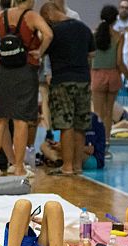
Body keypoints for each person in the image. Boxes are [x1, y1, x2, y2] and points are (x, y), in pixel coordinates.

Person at [0, 0, 54, 176]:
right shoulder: (31, 16)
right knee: (21, 120)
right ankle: (18, 167)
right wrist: (40, 52)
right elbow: (48, 34)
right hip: (25, 70)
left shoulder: (3, 15)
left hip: (2, 70)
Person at [40, 2, 96, 176]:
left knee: (66, 124)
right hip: (83, 80)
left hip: (62, 81)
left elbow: (43, 52)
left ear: (48, 15)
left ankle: (67, 167)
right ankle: (78, 166)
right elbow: (92, 55)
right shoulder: (83, 28)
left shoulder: (53, 32)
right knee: (80, 125)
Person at [92, 5, 128, 150]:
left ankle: (96, 141)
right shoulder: (118, 36)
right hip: (113, 74)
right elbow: (119, 61)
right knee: (109, 113)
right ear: (116, 19)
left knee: (97, 113)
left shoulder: (94, 34)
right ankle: (107, 141)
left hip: (97, 74)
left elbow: (89, 57)